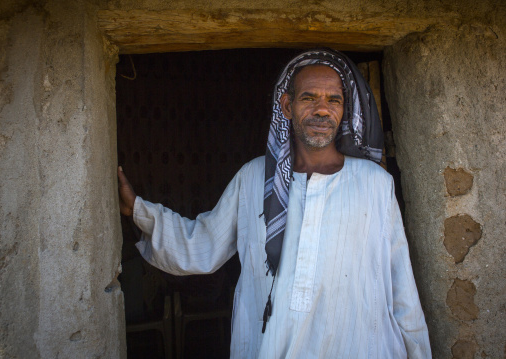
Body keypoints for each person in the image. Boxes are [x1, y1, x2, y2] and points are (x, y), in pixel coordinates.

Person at [118, 49, 431, 358]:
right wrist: (138, 212)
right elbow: (203, 243)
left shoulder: (375, 183)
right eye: (309, 97)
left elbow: (401, 286)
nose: (322, 110)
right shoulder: (254, 178)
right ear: (287, 106)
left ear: (344, 110)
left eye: (333, 100)